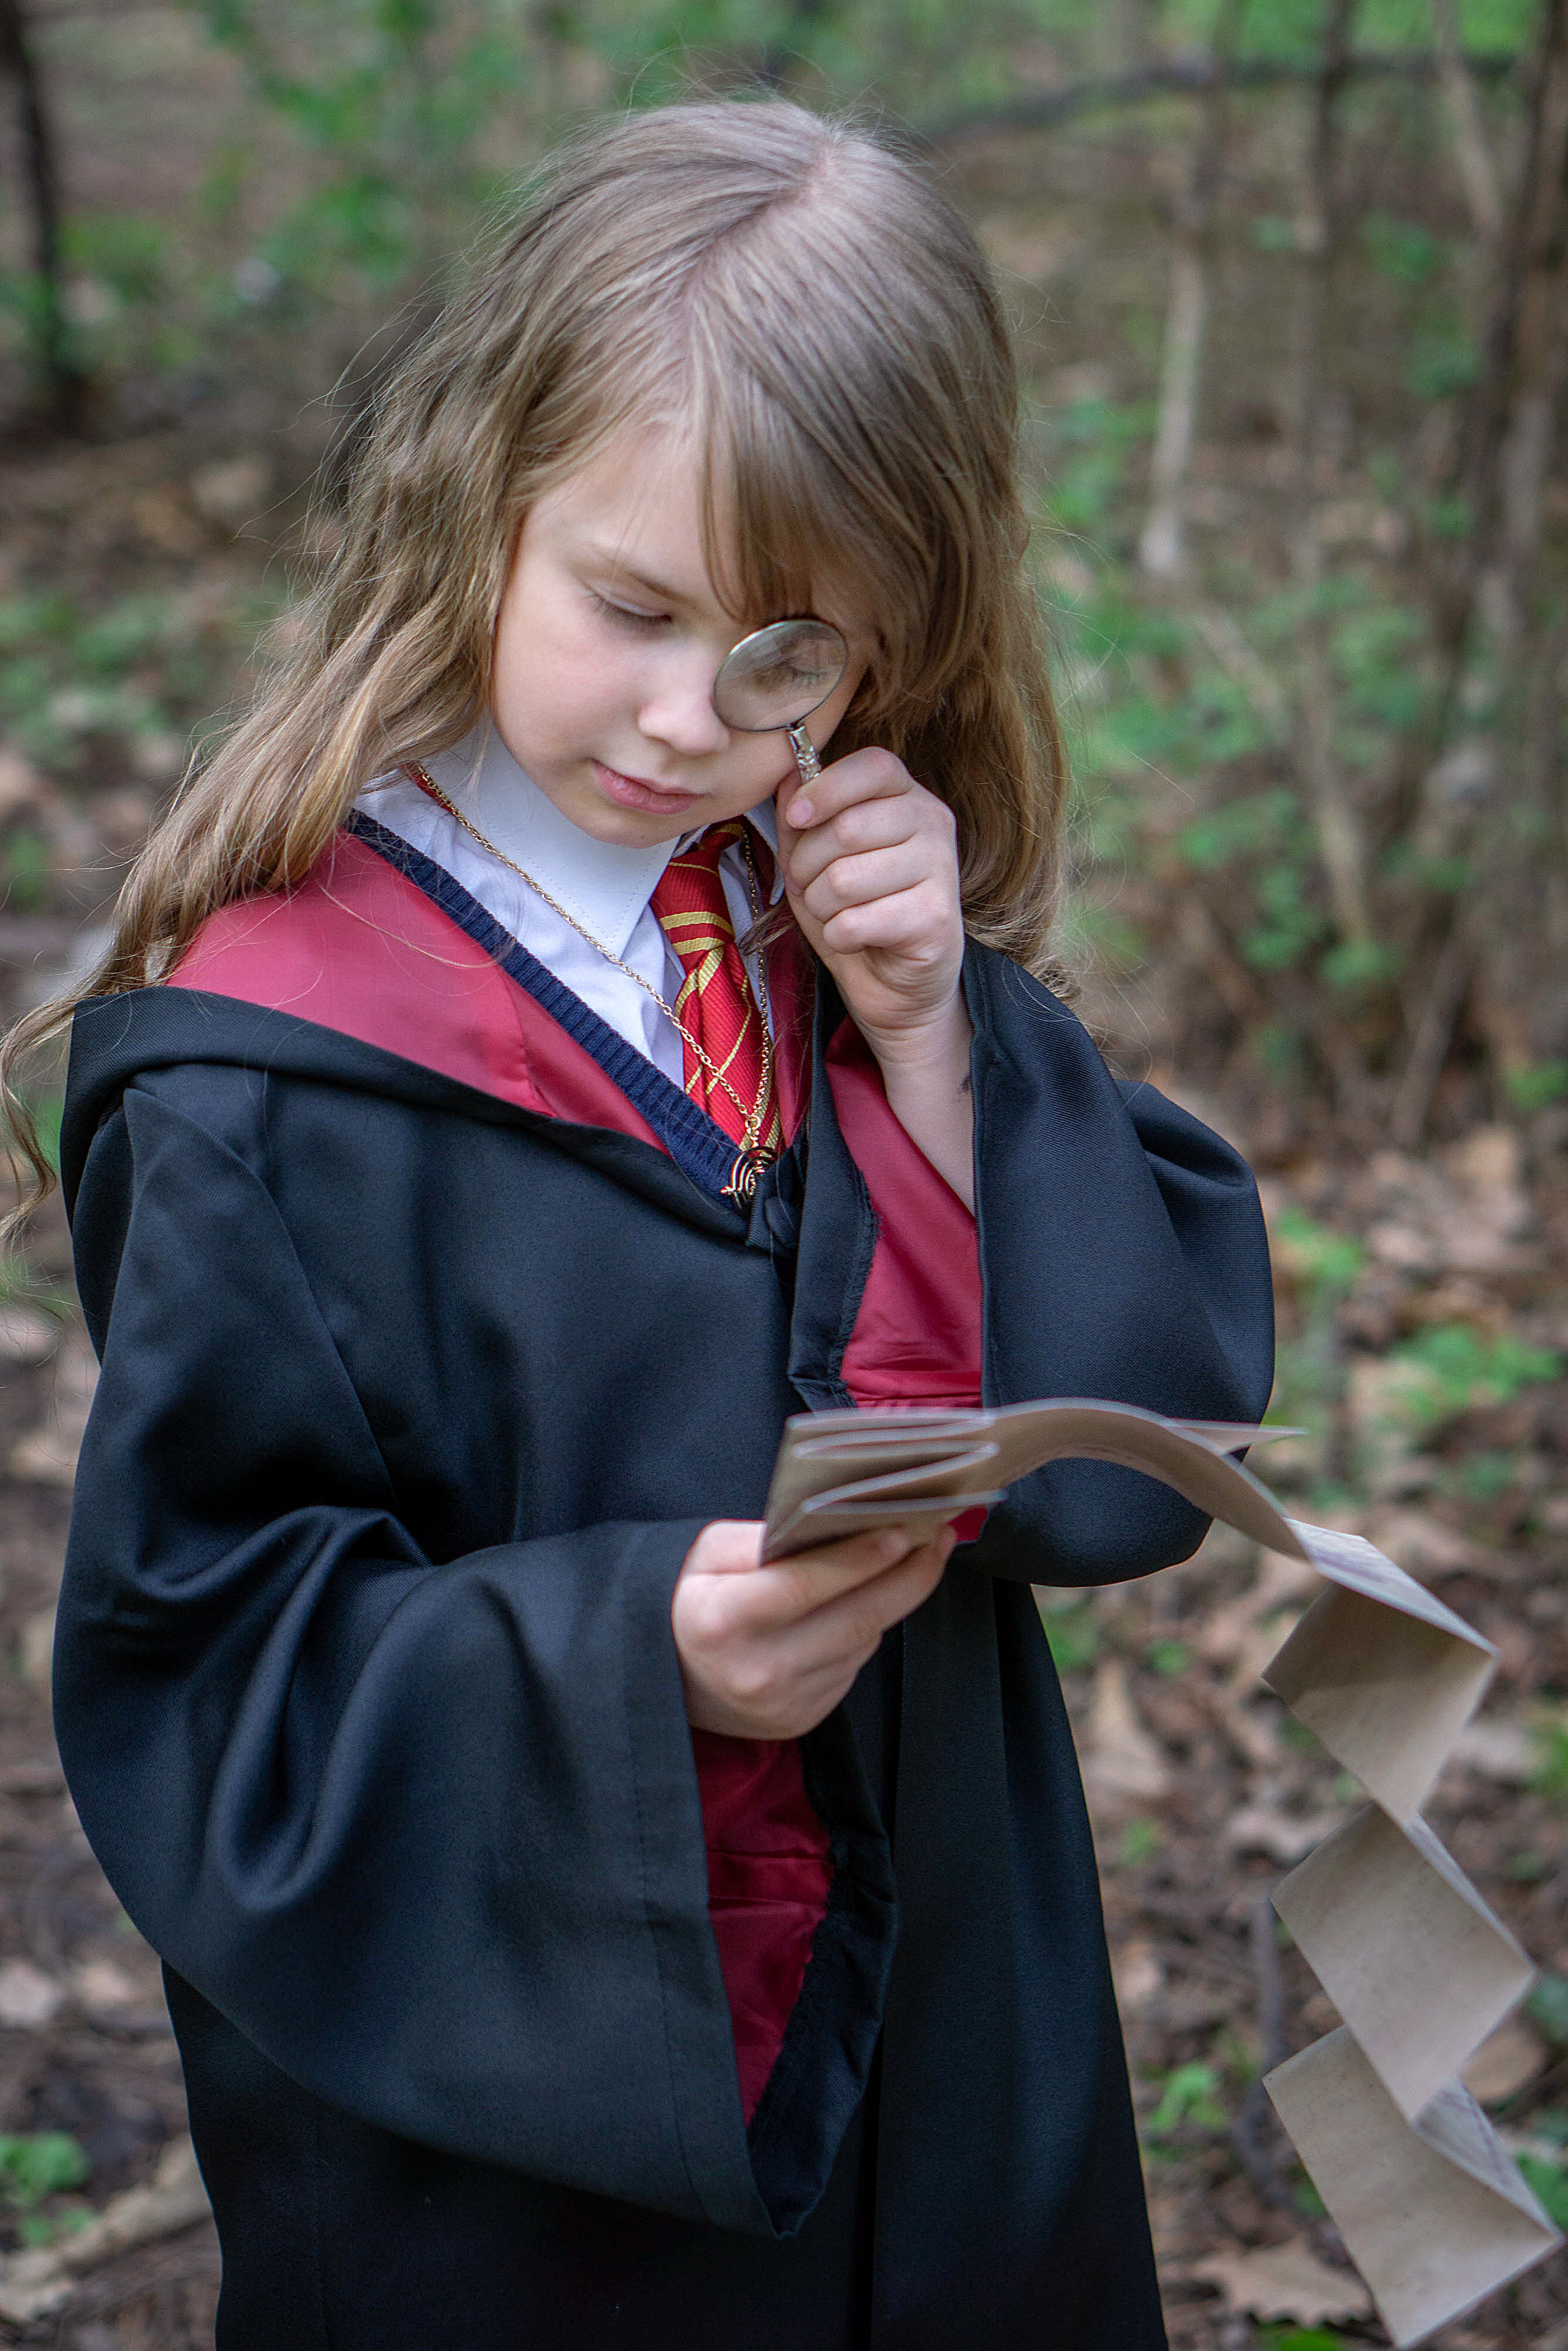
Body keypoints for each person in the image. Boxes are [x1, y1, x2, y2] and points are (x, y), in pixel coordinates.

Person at [5, 100, 1273, 2351]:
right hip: (538, 2159)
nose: (695, 721)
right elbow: (207, 1680)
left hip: (956, 2026)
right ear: (477, 501)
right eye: (632, 610)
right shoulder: (264, 1070)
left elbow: (1129, 1471)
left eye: (789, 651)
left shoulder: (835, 934)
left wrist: (938, 1040)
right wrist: (625, 1665)